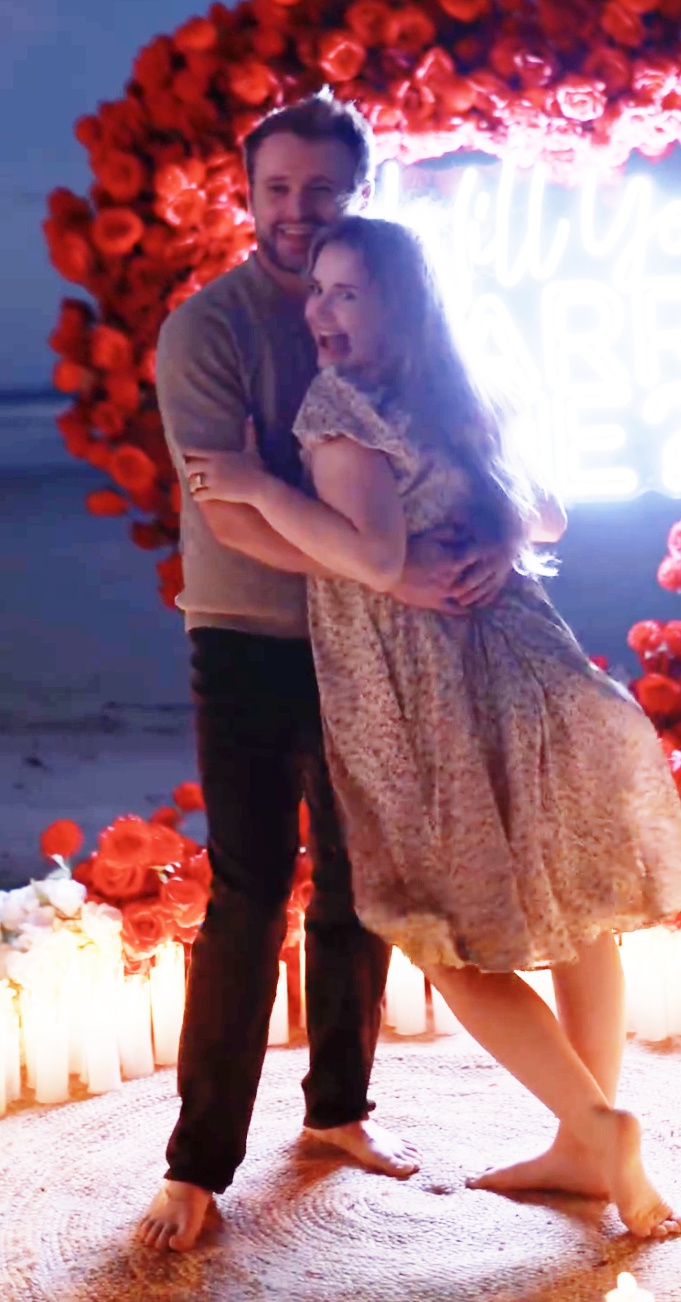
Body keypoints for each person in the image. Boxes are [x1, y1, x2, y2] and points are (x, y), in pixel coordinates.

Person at [185, 215, 681, 1242]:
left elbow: (375, 560)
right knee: (575, 905)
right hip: (529, 667)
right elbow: (547, 514)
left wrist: (256, 487)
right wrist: (497, 531)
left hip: (423, 691)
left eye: (347, 292)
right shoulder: (462, 390)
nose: (322, 311)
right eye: (318, 290)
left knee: (440, 934)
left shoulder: (339, 409)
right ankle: (578, 1139)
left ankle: (597, 1130)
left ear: (397, 304)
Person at [137, 95, 518, 1254]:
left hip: (382, 653)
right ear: (246, 194)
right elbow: (234, 513)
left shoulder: (386, 317)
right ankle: (198, 1166)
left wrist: (495, 532)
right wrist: (396, 576)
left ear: (358, 189)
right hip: (249, 639)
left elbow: (462, 445)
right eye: (277, 188)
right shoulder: (208, 328)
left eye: (322, 189)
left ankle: (340, 1114)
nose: (298, 210)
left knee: (361, 885)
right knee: (249, 895)